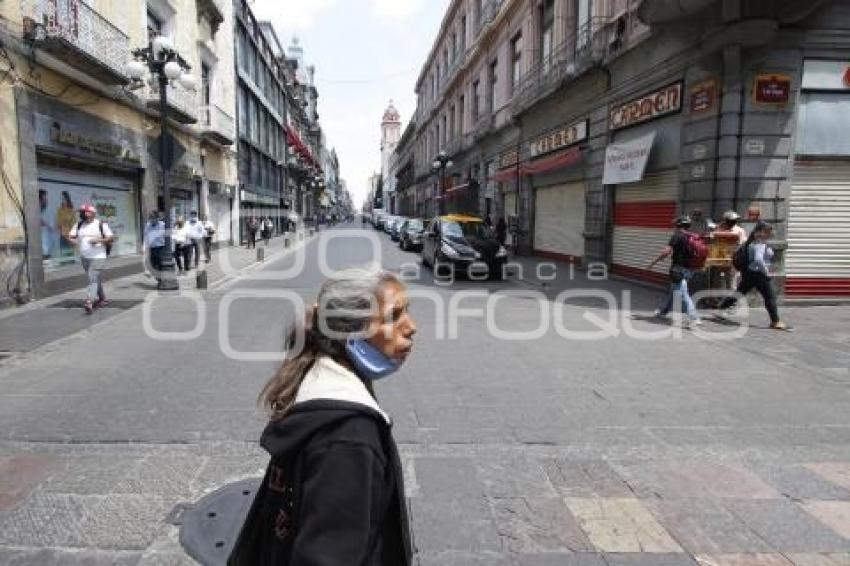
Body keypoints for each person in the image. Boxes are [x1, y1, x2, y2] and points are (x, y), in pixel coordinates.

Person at [229, 267, 416, 566]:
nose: (411, 327)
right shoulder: (348, 437)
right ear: (349, 334)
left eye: (408, 311)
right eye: (393, 317)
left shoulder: (317, 375)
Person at [719, 220, 789, 330]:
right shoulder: (759, 243)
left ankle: (722, 307)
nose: (771, 233)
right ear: (762, 231)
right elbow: (758, 259)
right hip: (758, 274)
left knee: (740, 292)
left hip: (749, 273)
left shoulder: (752, 242)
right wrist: (765, 271)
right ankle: (775, 321)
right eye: (768, 231)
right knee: (770, 297)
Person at [647, 215, 701, 327]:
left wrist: (653, 263)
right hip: (688, 269)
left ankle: (694, 318)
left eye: (675, 225)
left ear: (678, 225)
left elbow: (666, 252)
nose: (674, 227)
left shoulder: (677, 236)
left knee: (683, 294)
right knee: (674, 291)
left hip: (677, 269)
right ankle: (664, 312)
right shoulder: (692, 236)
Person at [67, 203, 114, 314]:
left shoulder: (101, 225)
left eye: (85, 212)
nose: (82, 214)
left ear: (92, 213)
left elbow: (111, 238)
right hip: (85, 257)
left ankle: (89, 301)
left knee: (92, 277)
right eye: (81, 212)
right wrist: (74, 241)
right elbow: (70, 236)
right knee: (94, 278)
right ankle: (103, 299)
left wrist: (98, 240)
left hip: (98, 256)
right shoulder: (79, 225)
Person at [143, 211, 166, 286]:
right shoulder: (148, 225)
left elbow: (163, 235)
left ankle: (161, 280)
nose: (151, 220)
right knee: (152, 265)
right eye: (150, 218)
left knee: (160, 264)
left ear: (157, 218)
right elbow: (146, 236)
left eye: (153, 218)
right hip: (151, 248)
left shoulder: (162, 225)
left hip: (160, 247)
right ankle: (159, 278)